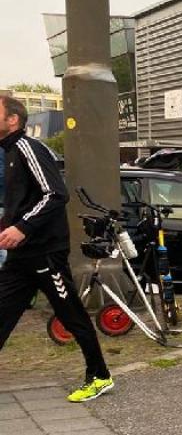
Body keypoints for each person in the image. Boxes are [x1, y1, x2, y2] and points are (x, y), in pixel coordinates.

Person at [0, 95, 113, 402]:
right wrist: (7, 227)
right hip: (21, 257)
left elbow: (55, 194)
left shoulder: (27, 148)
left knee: (72, 314)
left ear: (12, 119)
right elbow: (21, 203)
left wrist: (22, 227)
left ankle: (100, 376)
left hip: (46, 253)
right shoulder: (8, 153)